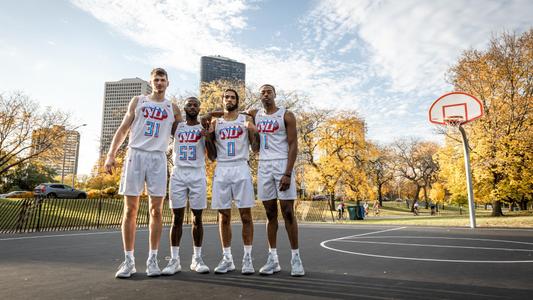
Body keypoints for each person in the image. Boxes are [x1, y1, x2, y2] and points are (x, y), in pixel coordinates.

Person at [105, 68, 181, 278]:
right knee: (130, 210)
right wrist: (111, 154)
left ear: (168, 83)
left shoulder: (172, 107)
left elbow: (183, 133)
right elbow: (123, 129)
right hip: (136, 154)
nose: (159, 82)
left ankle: (152, 259)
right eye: (156, 79)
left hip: (158, 157)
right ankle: (129, 261)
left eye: (162, 79)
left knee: (156, 210)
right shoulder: (138, 101)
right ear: (151, 82)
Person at [245, 84, 305, 277]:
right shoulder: (255, 114)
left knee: (288, 212)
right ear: (259, 96)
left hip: (282, 164)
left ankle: (296, 258)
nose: (265, 94)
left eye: (269, 91)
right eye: (262, 92)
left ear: (275, 95)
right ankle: (273, 259)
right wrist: (209, 115)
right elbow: (232, 112)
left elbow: (294, 144)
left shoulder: (286, 115)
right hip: (264, 165)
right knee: (270, 213)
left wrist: (288, 173)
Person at [205, 88, 260, 275]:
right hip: (222, 168)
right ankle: (227, 258)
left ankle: (247, 257)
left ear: (237, 100)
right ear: (222, 101)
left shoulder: (245, 120)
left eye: (233, 97)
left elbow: (256, 148)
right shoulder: (216, 122)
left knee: (246, 215)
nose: (229, 99)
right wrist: (209, 135)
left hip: (241, 167)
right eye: (226, 97)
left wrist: (254, 132)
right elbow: (211, 156)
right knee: (224, 216)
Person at [161, 97, 210, 275]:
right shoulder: (177, 126)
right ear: (184, 108)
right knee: (177, 219)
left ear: (199, 108)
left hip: (197, 172)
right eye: (189, 104)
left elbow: (212, 155)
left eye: (195, 104)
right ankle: (174, 260)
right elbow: (168, 110)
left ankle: (197, 258)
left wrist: (208, 137)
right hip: (179, 172)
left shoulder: (204, 128)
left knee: (197, 218)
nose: (192, 106)